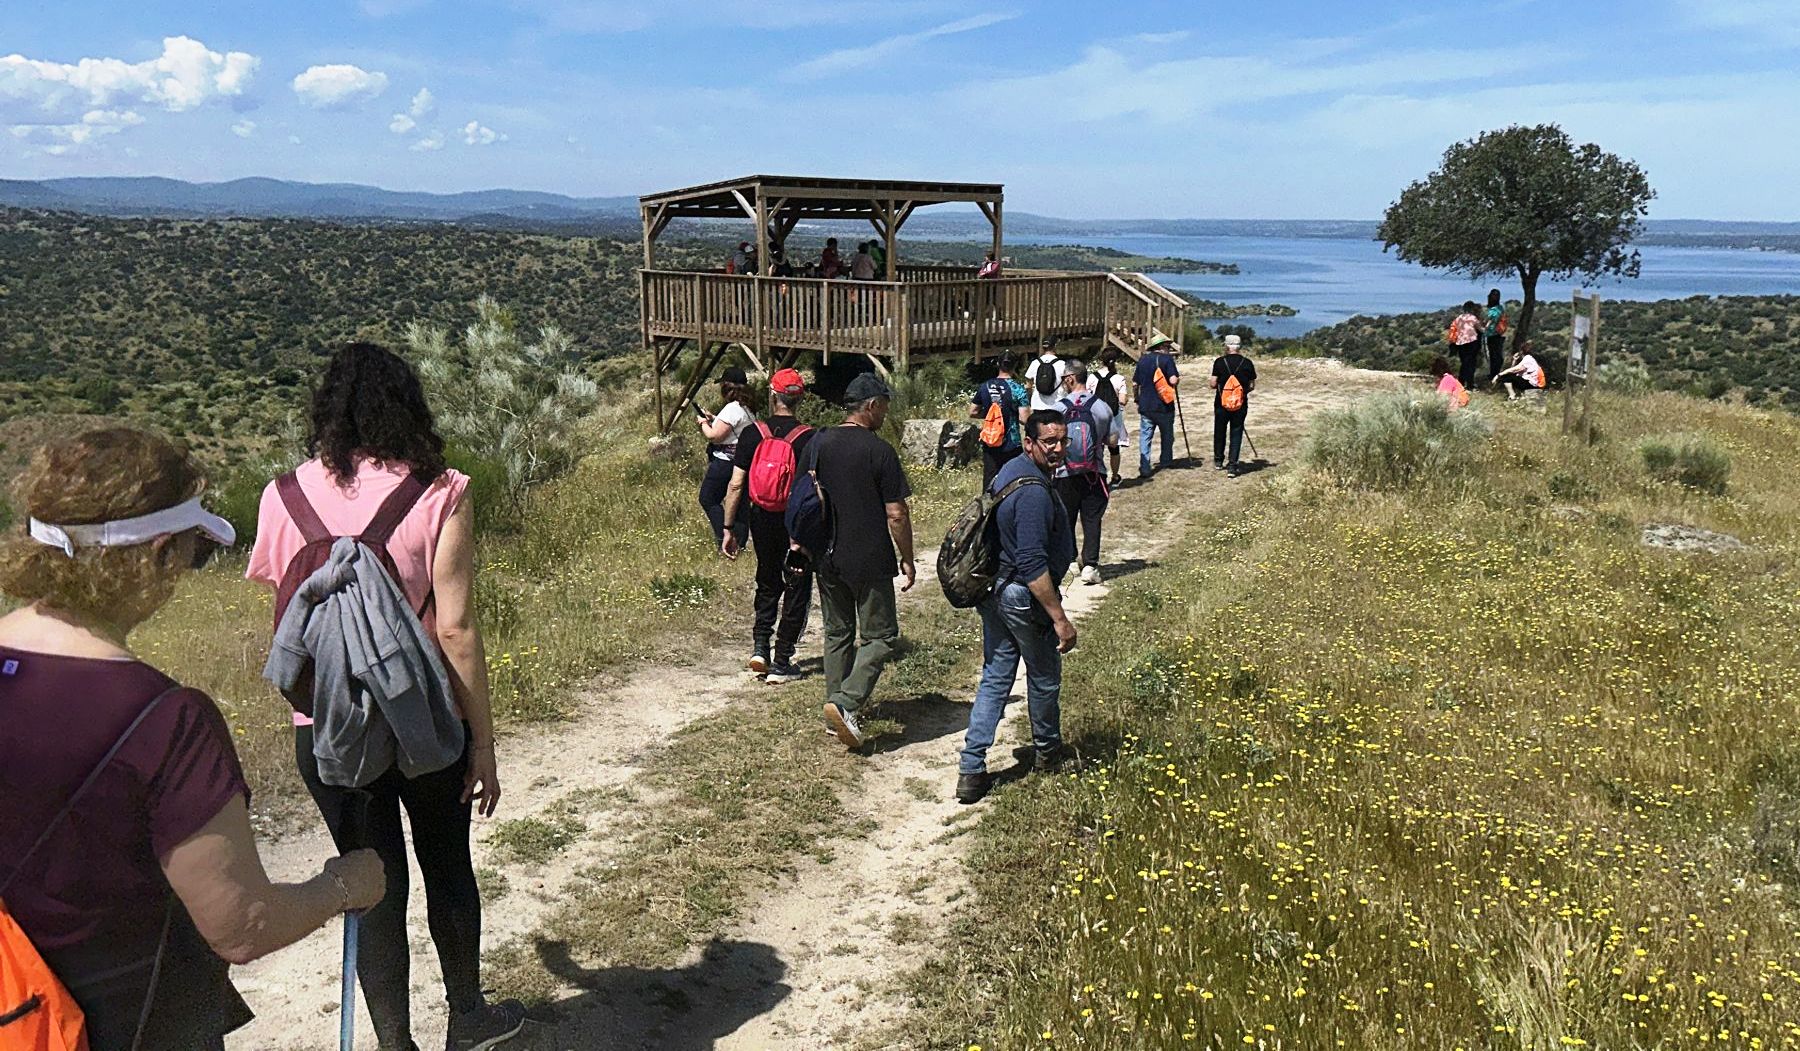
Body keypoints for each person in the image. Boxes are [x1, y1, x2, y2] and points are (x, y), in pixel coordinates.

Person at [1, 426, 386, 1051]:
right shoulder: (165, 720)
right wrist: (346, 886)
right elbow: (241, 927)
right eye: (193, 551)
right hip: (124, 1024)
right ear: (156, 554)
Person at [246, 343, 526, 1051]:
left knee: (370, 884)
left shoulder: (281, 495)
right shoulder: (442, 491)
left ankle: (393, 1043)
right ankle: (467, 1018)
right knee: (446, 862)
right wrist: (483, 744)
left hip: (328, 729)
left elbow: (289, 619)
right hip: (423, 720)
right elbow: (456, 628)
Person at [955, 409, 1078, 804]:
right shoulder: (1033, 494)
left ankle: (971, 769)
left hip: (995, 591)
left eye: (1063, 441)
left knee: (995, 676)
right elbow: (1032, 565)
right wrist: (1059, 619)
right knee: (1043, 676)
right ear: (1029, 443)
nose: (1058, 449)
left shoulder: (1010, 470)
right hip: (1021, 597)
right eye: (1050, 442)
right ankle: (1047, 752)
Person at [810, 373, 914, 750]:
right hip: (869, 556)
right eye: (884, 406)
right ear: (871, 406)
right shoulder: (879, 450)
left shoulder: (818, 443)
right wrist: (907, 558)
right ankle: (845, 703)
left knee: (837, 633)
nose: (886, 414)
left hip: (827, 555)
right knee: (881, 636)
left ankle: (833, 712)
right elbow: (896, 514)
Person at [720, 368, 815, 684]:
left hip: (760, 516)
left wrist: (729, 527)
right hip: (795, 522)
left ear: (773, 396)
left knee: (767, 578)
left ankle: (760, 647)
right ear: (799, 399)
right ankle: (783, 660)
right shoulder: (808, 438)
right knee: (796, 586)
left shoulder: (752, 433)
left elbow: (736, 485)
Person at [1057, 361, 1118, 585]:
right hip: (1094, 471)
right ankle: (1090, 565)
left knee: (1066, 517)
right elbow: (1112, 440)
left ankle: (1071, 560)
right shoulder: (1102, 407)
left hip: (1065, 472)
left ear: (1070, 379)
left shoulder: (1059, 408)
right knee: (1092, 519)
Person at [695, 366, 754, 548]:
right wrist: (716, 418)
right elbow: (729, 428)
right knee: (740, 504)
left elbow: (714, 436)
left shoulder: (731, 408)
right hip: (742, 461)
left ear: (727, 387)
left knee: (708, 498)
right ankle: (740, 543)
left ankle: (726, 539)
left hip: (725, 462)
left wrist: (704, 423)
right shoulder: (747, 408)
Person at [969, 352, 1030, 487]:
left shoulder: (985, 386)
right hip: (1011, 443)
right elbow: (1025, 419)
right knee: (1013, 480)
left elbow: (972, 412)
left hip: (990, 440)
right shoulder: (1018, 389)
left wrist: (990, 415)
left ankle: (987, 507)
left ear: (998, 364)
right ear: (1015, 366)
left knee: (990, 481)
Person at [1132, 332, 1181, 478]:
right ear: (1162, 347)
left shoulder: (1142, 360)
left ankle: (1145, 466)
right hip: (1164, 405)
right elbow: (1172, 381)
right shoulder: (1167, 360)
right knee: (1167, 435)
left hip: (1146, 405)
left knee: (1145, 437)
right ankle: (1165, 461)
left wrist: (1137, 399)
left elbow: (1135, 383)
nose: (1169, 349)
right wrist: (1177, 380)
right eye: (1167, 346)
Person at [1212, 334, 1257, 476]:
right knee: (1236, 431)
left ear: (1226, 346)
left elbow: (1213, 384)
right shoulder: (1247, 363)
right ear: (1239, 347)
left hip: (1221, 403)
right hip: (1240, 403)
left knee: (1220, 430)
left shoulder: (1219, 362)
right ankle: (1233, 465)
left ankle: (1219, 460)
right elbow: (1251, 385)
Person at [1087, 347, 1129, 486]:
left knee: (1097, 448)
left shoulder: (1092, 377)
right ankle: (1115, 476)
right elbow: (1122, 400)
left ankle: (1097, 475)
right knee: (1114, 448)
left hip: (1096, 416)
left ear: (1101, 360)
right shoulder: (1119, 378)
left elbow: (1087, 396)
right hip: (1113, 417)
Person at [1024, 338, 1066, 412]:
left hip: (1037, 405)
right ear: (1055, 346)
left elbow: (1028, 386)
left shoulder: (1035, 363)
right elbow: (1066, 385)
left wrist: (1029, 401)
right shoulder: (1062, 364)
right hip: (1057, 405)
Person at [1450, 300, 1483, 392]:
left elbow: (1454, 329)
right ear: (1472, 308)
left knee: (1464, 363)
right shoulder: (1473, 318)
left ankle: (1461, 382)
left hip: (1460, 343)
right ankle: (1469, 384)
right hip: (1472, 342)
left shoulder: (1458, 318)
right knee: (1470, 363)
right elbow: (1480, 329)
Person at [1484, 288, 1507, 384]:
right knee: (1496, 356)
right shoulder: (1500, 308)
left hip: (1493, 335)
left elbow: (1491, 320)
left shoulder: (1494, 310)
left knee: (1494, 357)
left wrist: (1485, 327)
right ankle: (1495, 375)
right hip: (1498, 334)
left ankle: (1494, 376)